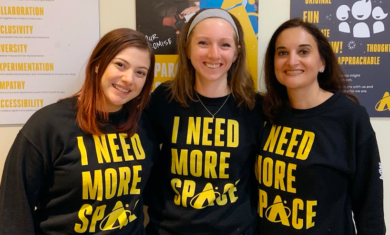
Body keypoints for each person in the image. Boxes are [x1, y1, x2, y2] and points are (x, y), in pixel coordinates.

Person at [0, 28, 158, 234]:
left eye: (140, 72)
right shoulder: (48, 125)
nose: (129, 79)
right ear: (98, 64)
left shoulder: (143, 125)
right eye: (120, 65)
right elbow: (13, 211)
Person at [256, 18, 385, 234]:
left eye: (304, 52)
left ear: (322, 62)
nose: (292, 61)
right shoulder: (265, 112)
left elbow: (369, 205)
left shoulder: (349, 117)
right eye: (282, 53)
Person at [144, 8, 263, 235]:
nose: (214, 54)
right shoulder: (164, 99)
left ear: (237, 52)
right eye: (203, 43)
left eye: (225, 45)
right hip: (169, 229)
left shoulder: (254, 107)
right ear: (187, 47)